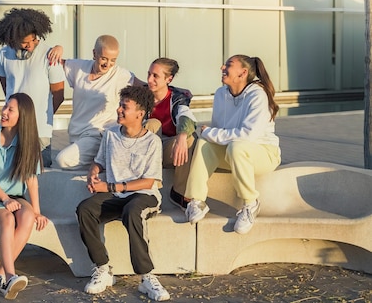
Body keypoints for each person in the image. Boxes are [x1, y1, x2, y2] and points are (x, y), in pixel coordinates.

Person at [76, 85, 170, 301]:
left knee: (132, 211)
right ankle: (102, 269)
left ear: (140, 113)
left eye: (124, 107)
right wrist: (94, 173)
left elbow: (150, 180)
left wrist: (110, 187)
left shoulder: (152, 142)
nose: (119, 110)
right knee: (85, 209)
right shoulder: (110, 135)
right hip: (115, 195)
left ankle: (147, 278)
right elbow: (99, 161)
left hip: (144, 195)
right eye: (120, 105)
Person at [184, 55, 281, 235]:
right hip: (233, 153)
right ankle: (196, 201)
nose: (222, 67)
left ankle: (250, 203)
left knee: (236, 146)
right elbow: (218, 132)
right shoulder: (221, 93)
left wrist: (210, 132)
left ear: (243, 73)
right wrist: (210, 134)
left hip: (265, 154)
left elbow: (248, 136)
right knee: (205, 142)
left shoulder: (258, 95)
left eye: (228, 65)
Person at [0, 93, 48, 299]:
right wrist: (4, 199)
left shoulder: (30, 143)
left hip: (15, 197)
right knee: (6, 217)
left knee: (28, 217)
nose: (4, 112)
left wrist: (38, 211)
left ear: (22, 116)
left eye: (10, 110)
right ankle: (11, 275)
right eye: (5, 107)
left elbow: (32, 180)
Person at [51, 35, 136, 170]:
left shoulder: (121, 75)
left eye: (113, 60)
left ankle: (103, 161)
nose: (107, 64)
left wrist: (178, 93)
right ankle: (101, 161)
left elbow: (148, 87)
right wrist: (57, 48)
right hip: (76, 135)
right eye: (104, 58)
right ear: (94, 54)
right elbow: (55, 63)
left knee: (63, 160)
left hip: (99, 134)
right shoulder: (79, 67)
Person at [0, 8, 65, 167]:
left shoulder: (50, 55)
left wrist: (40, 115)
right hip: (11, 129)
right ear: (12, 39)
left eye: (33, 40)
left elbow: (59, 95)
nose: (31, 45)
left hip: (39, 131)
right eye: (25, 42)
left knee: (40, 177)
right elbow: (7, 88)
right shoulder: (3, 54)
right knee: (9, 172)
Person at [144, 58, 197, 210]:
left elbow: (185, 117)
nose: (149, 79)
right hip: (144, 151)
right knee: (153, 123)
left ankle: (179, 192)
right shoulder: (141, 95)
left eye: (155, 76)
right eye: (149, 74)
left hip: (168, 150)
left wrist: (181, 137)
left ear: (169, 79)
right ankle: (145, 184)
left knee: (189, 138)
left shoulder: (178, 98)